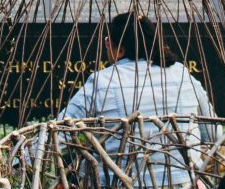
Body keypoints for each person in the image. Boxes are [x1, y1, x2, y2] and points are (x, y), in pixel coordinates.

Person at [58, 14, 213, 122]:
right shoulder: (182, 74)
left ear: (120, 50)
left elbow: (60, 131)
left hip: (119, 169)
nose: (106, 47)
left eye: (107, 42)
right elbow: (213, 133)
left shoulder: (102, 82)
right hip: (184, 169)